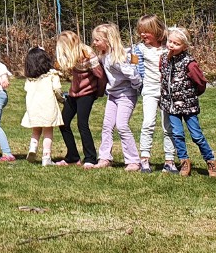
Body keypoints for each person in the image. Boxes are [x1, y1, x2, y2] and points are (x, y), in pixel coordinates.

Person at [160, 27, 216, 177]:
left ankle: (210, 161)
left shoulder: (189, 63)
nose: (171, 45)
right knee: (177, 134)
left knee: (196, 135)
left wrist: (191, 95)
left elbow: (201, 83)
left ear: (184, 46)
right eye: (170, 41)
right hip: (171, 106)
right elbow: (163, 77)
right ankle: (184, 162)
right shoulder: (164, 59)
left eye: (176, 43)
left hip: (188, 106)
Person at [92, 23, 141, 171]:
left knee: (122, 125)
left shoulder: (118, 58)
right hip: (113, 95)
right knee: (107, 126)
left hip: (126, 95)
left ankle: (133, 161)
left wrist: (137, 86)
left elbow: (132, 73)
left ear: (108, 40)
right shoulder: (104, 55)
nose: (94, 43)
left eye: (97, 40)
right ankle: (105, 157)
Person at [131, 14, 174, 173]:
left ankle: (169, 160)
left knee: (168, 126)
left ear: (156, 30)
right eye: (140, 31)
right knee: (148, 123)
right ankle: (144, 158)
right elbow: (135, 68)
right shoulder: (139, 49)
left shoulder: (169, 47)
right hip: (149, 90)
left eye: (146, 31)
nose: (142, 34)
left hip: (167, 91)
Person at [55, 30, 105, 167]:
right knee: (63, 122)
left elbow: (100, 76)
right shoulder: (72, 55)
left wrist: (98, 92)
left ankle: (90, 158)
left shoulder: (87, 53)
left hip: (87, 93)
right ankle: (72, 157)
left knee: (82, 124)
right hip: (74, 93)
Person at [21, 46, 64, 166]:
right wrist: (61, 99)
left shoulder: (29, 79)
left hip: (33, 108)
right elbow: (57, 89)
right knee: (48, 131)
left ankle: (33, 148)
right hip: (48, 107)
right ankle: (46, 157)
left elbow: (26, 89)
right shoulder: (52, 75)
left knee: (36, 130)